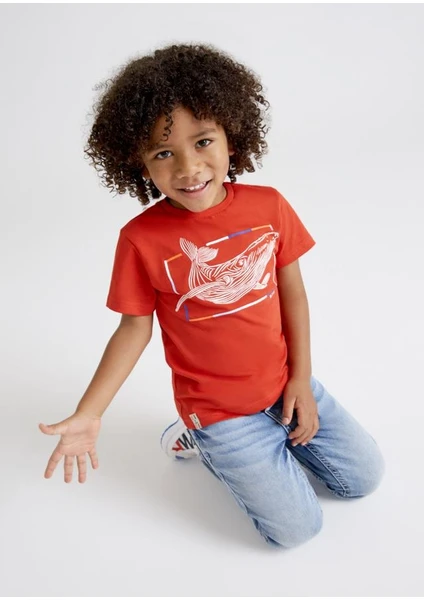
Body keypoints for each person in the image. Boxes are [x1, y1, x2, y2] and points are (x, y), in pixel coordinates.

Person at [39, 42, 385, 548]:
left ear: (231, 136)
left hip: (285, 386)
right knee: (297, 531)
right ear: (139, 165)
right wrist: (90, 412)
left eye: (203, 141)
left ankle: (272, 443)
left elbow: (293, 293)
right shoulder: (140, 239)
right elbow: (133, 330)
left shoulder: (269, 206)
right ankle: (201, 441)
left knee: (365, 479)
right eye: (163, 153)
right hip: (220, 413)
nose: (188, 167)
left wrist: (302, 380)